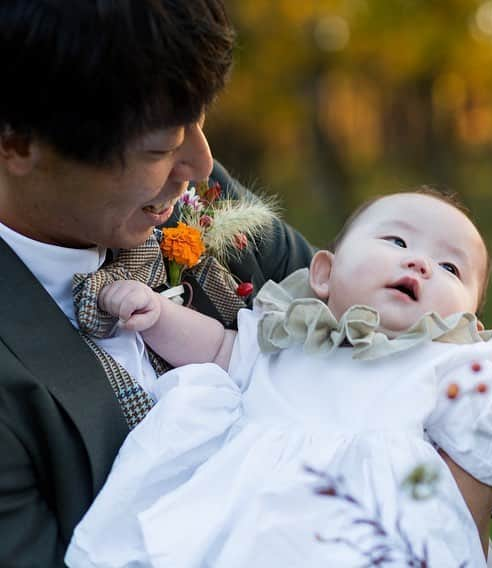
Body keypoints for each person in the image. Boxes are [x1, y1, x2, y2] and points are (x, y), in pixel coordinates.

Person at [65, 191, 492, 567]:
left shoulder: (446, 366)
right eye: (397, 240)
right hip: (252, 530)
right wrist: (161, 314)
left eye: (450, 266)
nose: (420, 261)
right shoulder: (286, 332)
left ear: (469, 320)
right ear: (322, 273)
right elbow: (219, 350)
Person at [0, 2, 316, 565]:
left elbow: (373, 313)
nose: (200, 162)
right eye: (159, 147)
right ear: (17, 143)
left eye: (199, 120)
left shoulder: (193, 192)